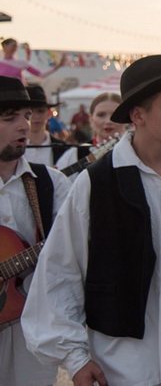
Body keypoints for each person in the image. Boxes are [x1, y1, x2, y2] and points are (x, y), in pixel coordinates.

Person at [22, 54, 161, 386]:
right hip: (124, 367)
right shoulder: (96, 183)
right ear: (138, 114)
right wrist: (75, 358)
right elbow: (60, 272)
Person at [0, 76, 72, 386]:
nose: (24, 126)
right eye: (10, 117)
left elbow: (72, 247)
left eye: (27, 116)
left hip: (30, 325)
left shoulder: (51, 183)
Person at [54, 92, 125, 177]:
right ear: (91, 119)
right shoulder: (75, 154)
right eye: (101, 115)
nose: (108, 121)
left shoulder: (139, 152)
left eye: (115, 114)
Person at [23, 85, 66, 167]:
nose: (36, 116)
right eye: (30, 112)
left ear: (49, 113)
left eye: (40, 111)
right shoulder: (12, 148)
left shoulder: (62, 148)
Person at [0, 39, 65, 83]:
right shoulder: (1, 63)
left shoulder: (22, 63)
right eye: (13, 46)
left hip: (17, 93)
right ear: (5, 46)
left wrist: (58, 67)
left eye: (16, 46)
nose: (15, 48)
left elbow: (41, 75)